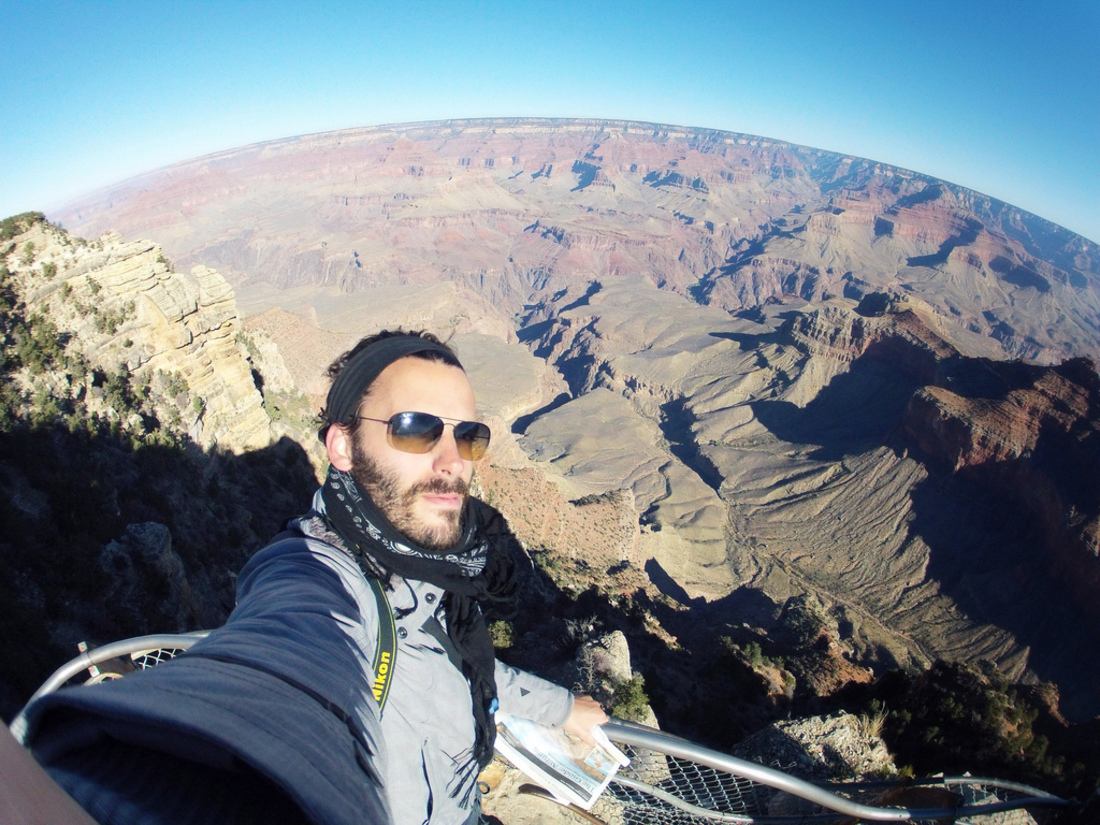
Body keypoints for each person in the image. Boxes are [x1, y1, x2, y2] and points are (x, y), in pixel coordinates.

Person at [19, 329, 606, 825]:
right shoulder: (316, 571)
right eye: (414, 428)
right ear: (343, 446)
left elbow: (454, 666)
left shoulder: (437, 576)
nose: (452, 460)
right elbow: (290, 656)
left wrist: (561, 708)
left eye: (469, 435)